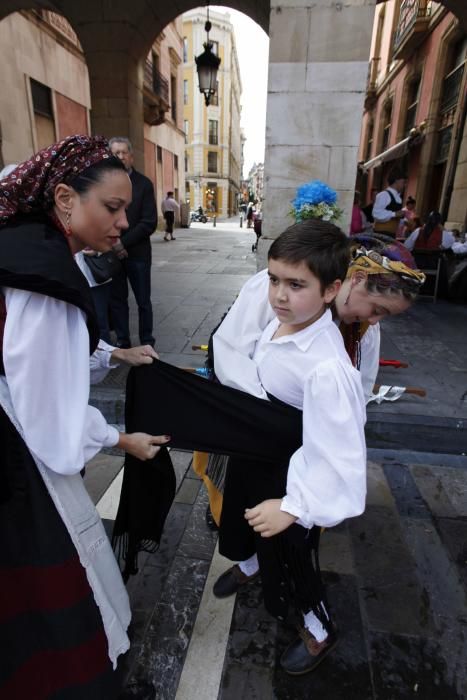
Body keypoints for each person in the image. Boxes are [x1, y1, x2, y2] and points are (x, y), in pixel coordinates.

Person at [0, 135, 170, 698]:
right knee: (52, 581)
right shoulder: (48, 282)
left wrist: (114, 353)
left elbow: (25, 351)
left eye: (128, 209)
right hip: (17, 456)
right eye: (113, 208)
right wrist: (120, 439)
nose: (124, 222)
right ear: (66, 199)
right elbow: (53, 425)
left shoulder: (23, 245)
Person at [109, 137, 157, 348]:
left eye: (123, 152)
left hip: (138, 254)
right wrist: (113, 244)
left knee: (143, 302)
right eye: (115, 153)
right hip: (112, 254)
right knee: (117, 301)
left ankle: (147, 340)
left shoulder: (144, 184)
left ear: (131, 156)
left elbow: (149, 223)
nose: (120, 156)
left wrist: (122, 243)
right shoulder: (104, 184)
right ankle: (122, 339)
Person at [372, 168, 407, 237]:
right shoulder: (384, 195)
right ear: (397, 181)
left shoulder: (398, 197)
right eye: (403, 182)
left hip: (391, 234)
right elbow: (376, 214)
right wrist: (394, 214)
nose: (405, 185)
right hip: (381, 234)